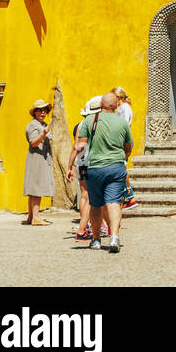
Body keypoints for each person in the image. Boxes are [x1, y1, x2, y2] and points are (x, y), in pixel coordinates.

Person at [70, 91, 133, 252]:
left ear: (100, 105)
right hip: (116, 167)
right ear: (116, 106)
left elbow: (81, 146)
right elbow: (128, 147)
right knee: (113, 202)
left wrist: (72, 165)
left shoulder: (90, 120)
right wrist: (122, 159)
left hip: (95, 168)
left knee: (96, 204)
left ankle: (96, 239)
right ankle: (114, 237)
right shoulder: (122, 123)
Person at [67, 96, 105, 240]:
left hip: (81, 161)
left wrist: (69, 166)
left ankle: (87, 224)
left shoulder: (82, 124)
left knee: (84, 195)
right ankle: (83, 228)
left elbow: (76, 147)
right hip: (93, 162)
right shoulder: (99, 123)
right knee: (91, 196)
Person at [23, 98, 54, 225]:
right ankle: (35, 218)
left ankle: (31, 216)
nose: (43, 113)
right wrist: (43, 134)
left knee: (35, 187)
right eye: (40, 110)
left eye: (45, 110)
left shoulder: (42, 125)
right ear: (35, 112)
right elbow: (33, 143)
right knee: (36, 188)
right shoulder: (33, 125)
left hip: (42, 158)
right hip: (37, 158)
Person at [112, 88, 139, 211]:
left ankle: (130, 197)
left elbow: (122, 127)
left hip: (122, 142)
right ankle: (127, 197)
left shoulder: (124, 108)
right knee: (121, 168)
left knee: (121, 168)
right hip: (124, 141)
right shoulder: (124, 108)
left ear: (118, 98)